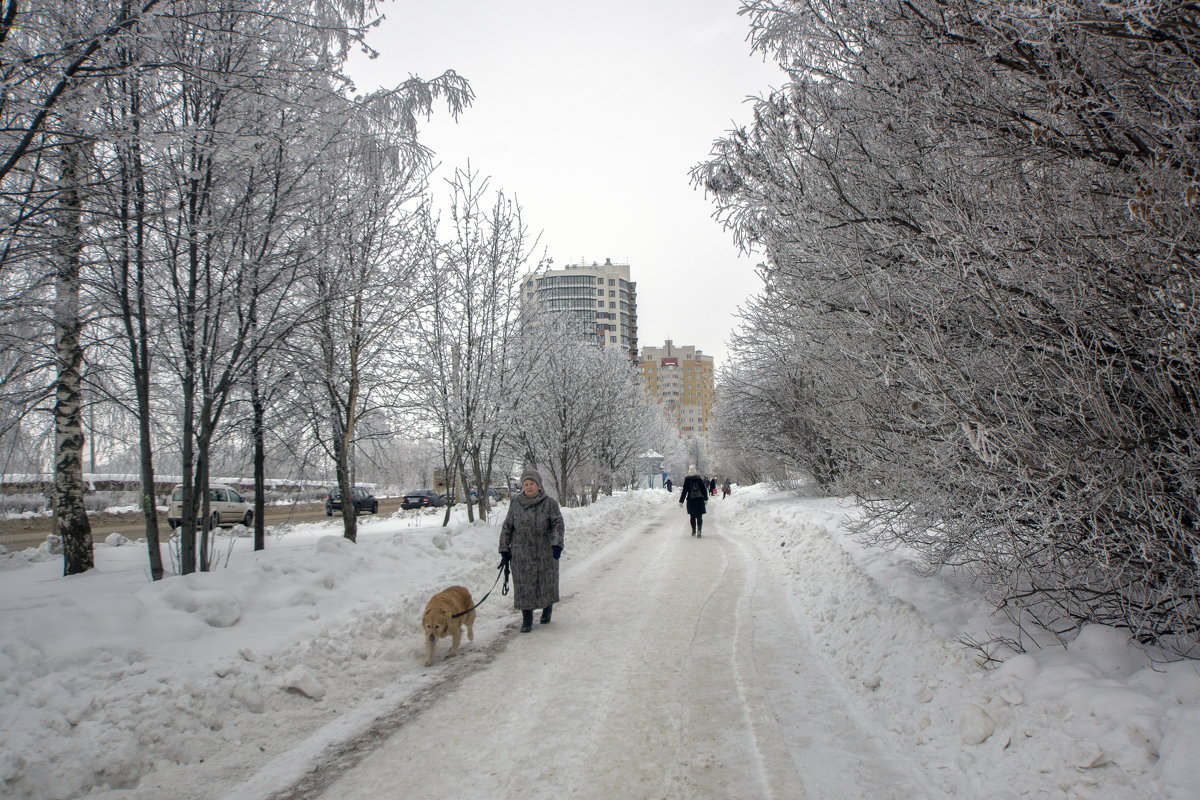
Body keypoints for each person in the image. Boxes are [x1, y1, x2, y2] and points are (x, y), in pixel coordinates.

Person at [499, 468, 564, 633]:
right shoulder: (516, 503)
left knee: (546, 582)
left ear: (538, 485)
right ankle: (526, 619)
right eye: (526, 484)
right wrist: (504, 549)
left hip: (545, 551)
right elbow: (507, 527)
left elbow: (558, 524)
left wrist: (556, 544)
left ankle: (547, 608)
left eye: (532, 483)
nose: (529, 486)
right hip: (521, 553)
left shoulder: (549, 503)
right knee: (524, 585)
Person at [678, 469, 708, 537]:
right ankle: (699, 530)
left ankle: (694, 530)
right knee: (699, 516)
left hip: (691, 501)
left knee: (692, 516)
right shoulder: (699, 479)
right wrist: (706, 499)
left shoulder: (687, 480)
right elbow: (704, 489)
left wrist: (681, 501)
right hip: (700, 500)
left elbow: (684, 491)